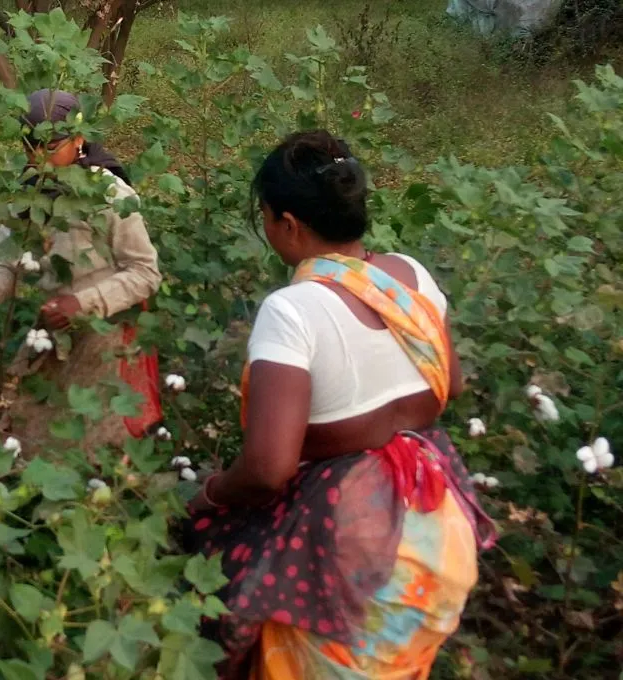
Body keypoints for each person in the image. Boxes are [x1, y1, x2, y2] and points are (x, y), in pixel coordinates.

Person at [184, 130, 496, 680]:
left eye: (264, 217)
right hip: (437, 532)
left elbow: (267, 469)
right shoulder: (412, 275)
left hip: (350, 553)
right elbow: (453, 384)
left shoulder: (294, 311)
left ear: (288, 224)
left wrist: (204, 498)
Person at [0, 89, 163, 456]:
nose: (39, 157)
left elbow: (145, 273)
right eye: (30, 147)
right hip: (53, 330)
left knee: (99, 447)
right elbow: (6, 260)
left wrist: (81, 303)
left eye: (51, 146)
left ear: (79, 139)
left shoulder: (109, 193)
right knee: (27, 434)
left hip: (108, 336)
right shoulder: (26, 195)